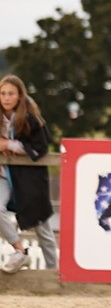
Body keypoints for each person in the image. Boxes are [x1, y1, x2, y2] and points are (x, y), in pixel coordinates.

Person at [0, 75, 57, 273]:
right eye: (3, 93)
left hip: (28, 179)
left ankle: (53, 272)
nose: (6, 98)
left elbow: (41, 147)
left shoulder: (29, 118)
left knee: (42, 227)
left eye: (11, 94)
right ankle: (20, 250)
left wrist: (9, 145)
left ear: (19, 96)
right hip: (3, 175)